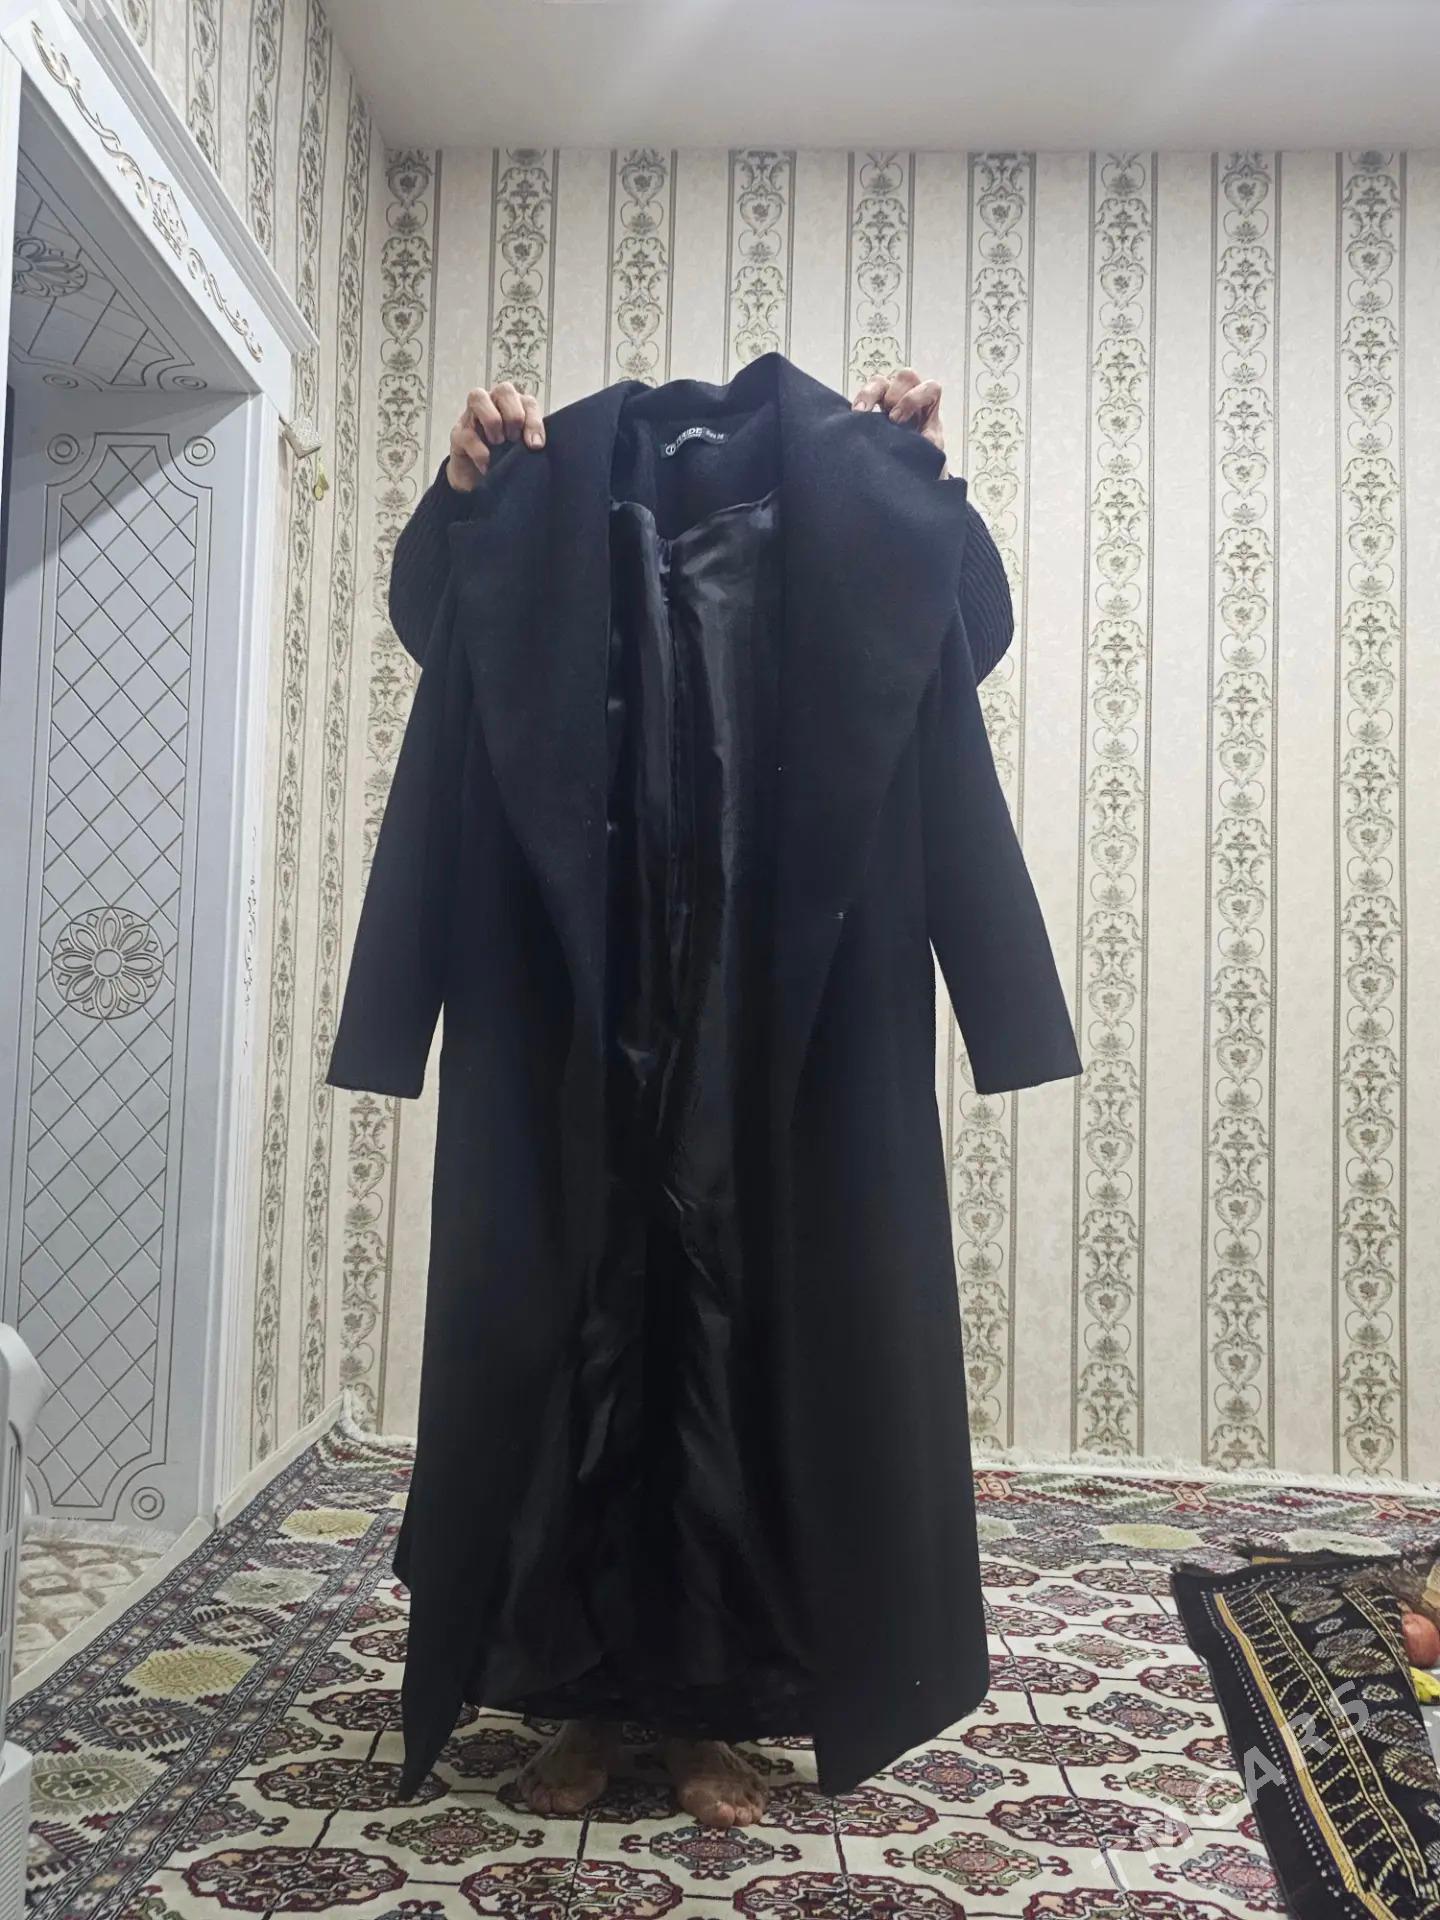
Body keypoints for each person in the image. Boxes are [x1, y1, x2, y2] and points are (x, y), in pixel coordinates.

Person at [392, 365, 1015, 1830]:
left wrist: (919, 487)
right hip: (577, 987)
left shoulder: (839, 493)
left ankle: (710, 1709)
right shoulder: (552, 493)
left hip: (773, 997)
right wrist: (464, 493)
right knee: (580, 1328)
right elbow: (442, 628)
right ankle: (587, 1697)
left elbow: (962, 636)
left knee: (747, 1337)